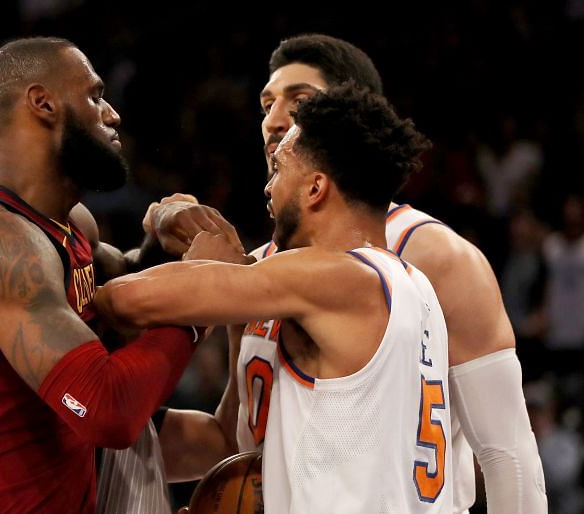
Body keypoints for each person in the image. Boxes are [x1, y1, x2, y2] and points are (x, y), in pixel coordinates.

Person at [145, 34, 547, 514]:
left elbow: (508, 455)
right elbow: (234, 440)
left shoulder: (433, 254)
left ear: (354, 117)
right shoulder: (259, 267)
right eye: (267, 104)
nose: (274, 120)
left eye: (299, 101)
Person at [0, 36, 240, 514]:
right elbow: (107, 413)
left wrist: (161, 237)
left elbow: (125, 286)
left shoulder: (72, 224)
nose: (113, 114)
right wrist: (201, 301)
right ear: (43, 104)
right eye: (95, 95)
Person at [97, 84, 452, 511]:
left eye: (279, 169)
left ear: (315, 188)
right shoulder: (416, 287)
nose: (268, 188)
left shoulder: (335, 275)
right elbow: (236, 438)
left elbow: (123, 299)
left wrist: (192, 252)